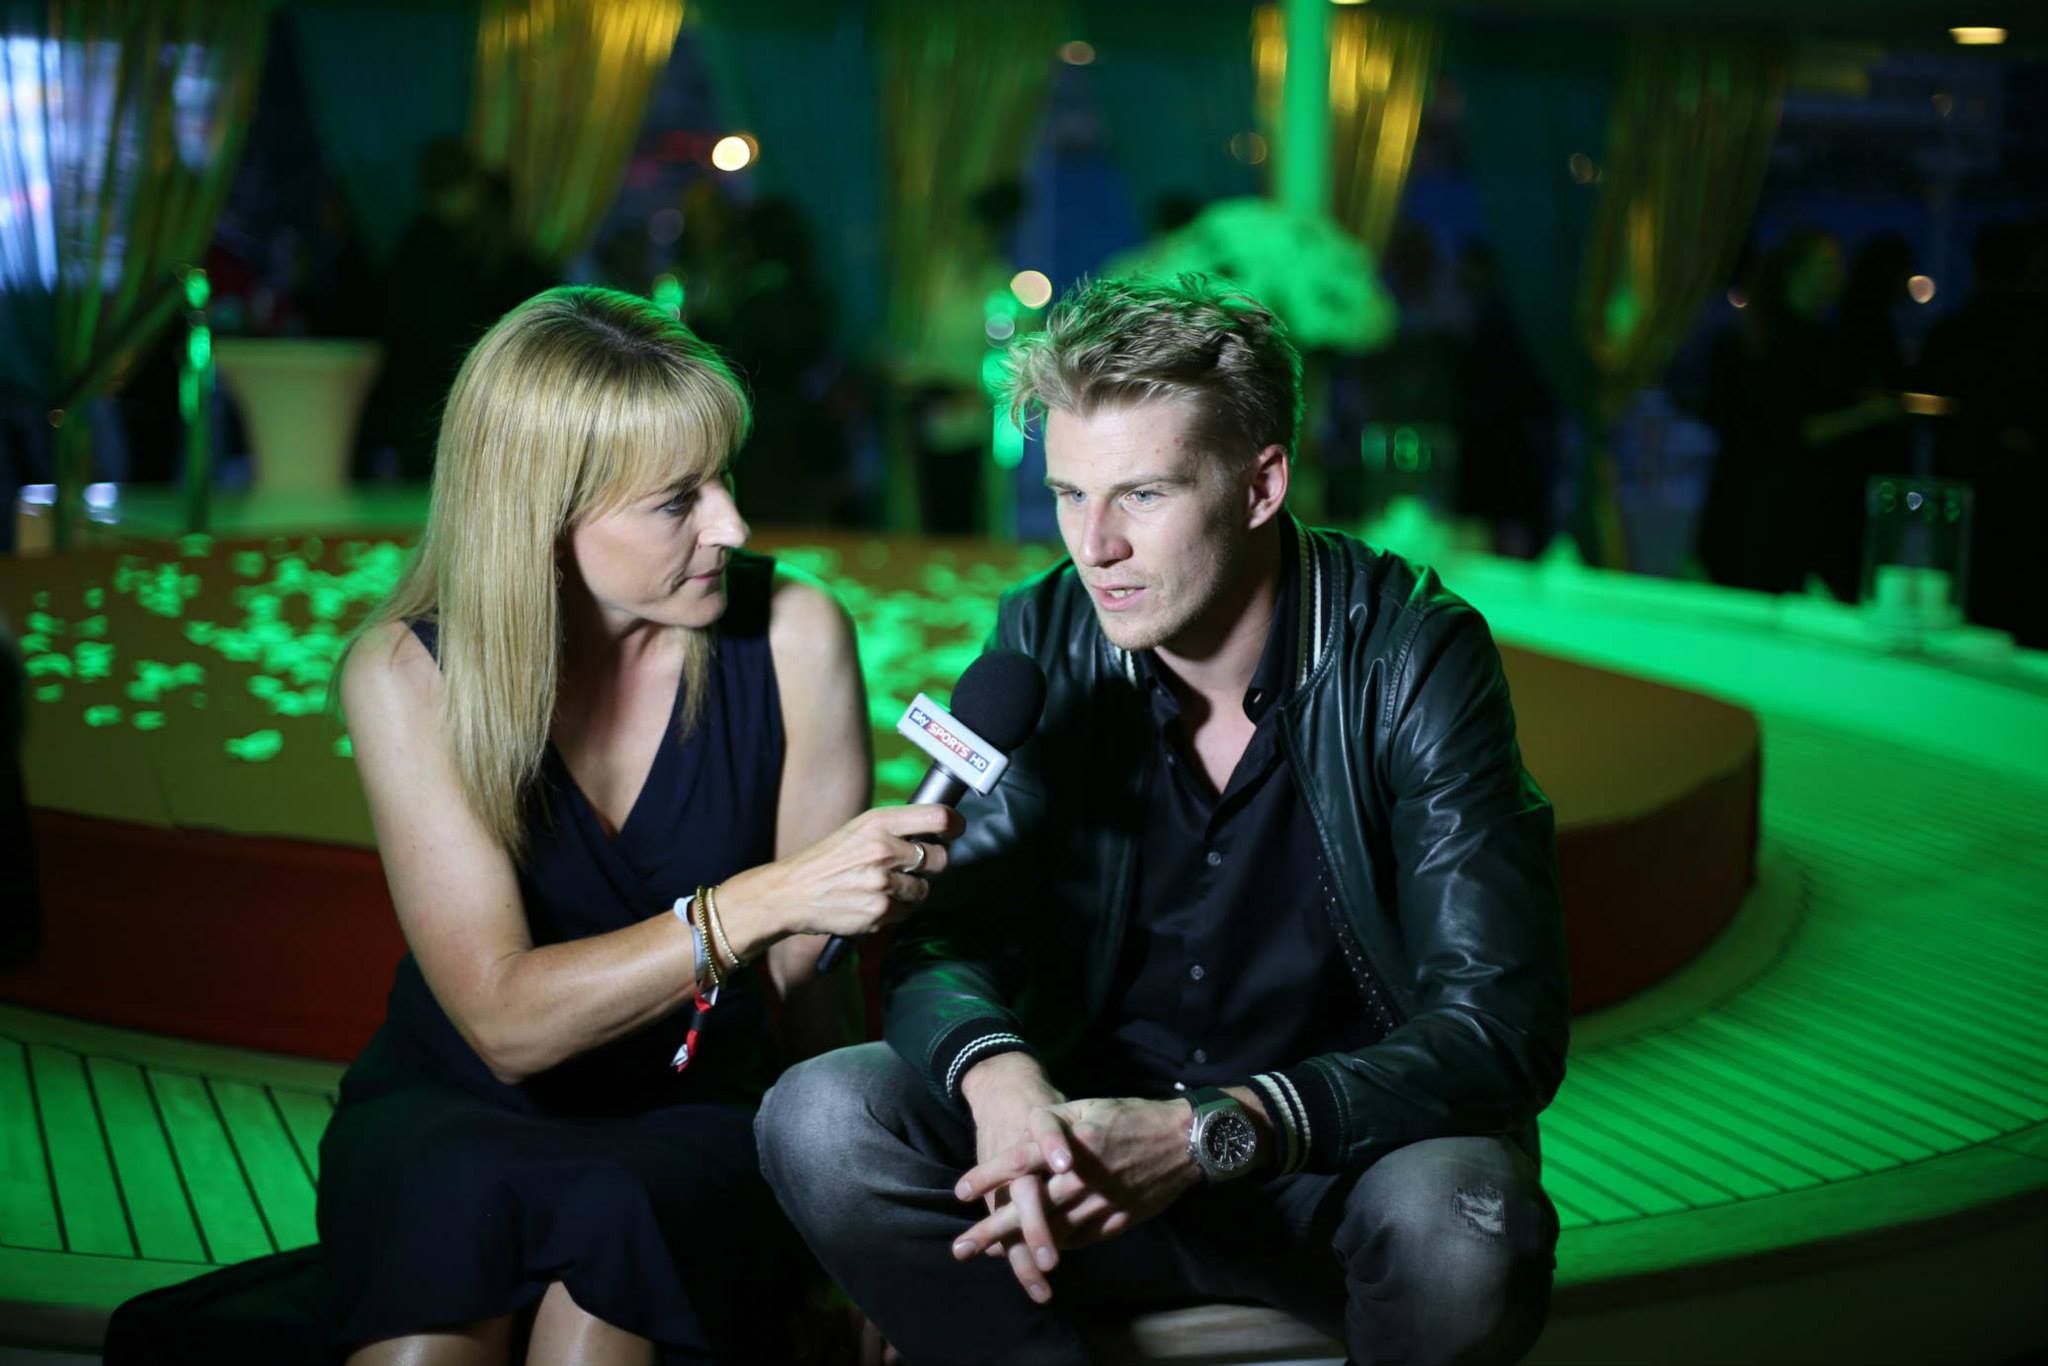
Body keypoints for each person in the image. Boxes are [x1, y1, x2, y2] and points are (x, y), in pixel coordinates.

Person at [757, 275, 1568, 1366]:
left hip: (1322, 1170)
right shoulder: (1044, 630)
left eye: (1140, 496)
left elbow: (1497, 1027)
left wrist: (1210, 1130)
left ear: (1259, 484)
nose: (1093, 547)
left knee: (1466, 1222)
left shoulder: (1410, 655)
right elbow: (950, 927)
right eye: (1064, 495)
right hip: (1078, 1155)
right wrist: (998, 1078)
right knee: (817, 1117)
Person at [321, 286, 960, 1365]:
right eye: (678, 500)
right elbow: (504, 1024)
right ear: (541, 514)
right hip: (457, 1104)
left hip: (693, 1109)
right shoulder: (402, 672)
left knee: (597, 1329)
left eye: (723, 478)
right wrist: (763, 896)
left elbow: (814, 988)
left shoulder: (796, 634)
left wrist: (866, 1224)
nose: (733, 525)